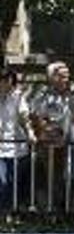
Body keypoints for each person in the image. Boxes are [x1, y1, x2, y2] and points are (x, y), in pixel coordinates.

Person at [29, 61, 74, 210]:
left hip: (70, 142)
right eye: (61, 76)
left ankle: (68, 210)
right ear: (51, 77)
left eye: (67, 76)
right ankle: (52, 209)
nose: (65, 79)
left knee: (70, 177)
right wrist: (46, 129)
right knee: (51, 177)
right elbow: (35, 115)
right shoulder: (43, 92)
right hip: (49, 142)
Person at [0, 66, 35, 212]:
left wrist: (30, 133)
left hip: (16, 148)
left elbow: (24, 117)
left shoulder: (18, 96)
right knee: (2, 180)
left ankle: (9, 213)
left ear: (9, 81)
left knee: (11, 182)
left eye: (3, 80)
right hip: (1, 147)